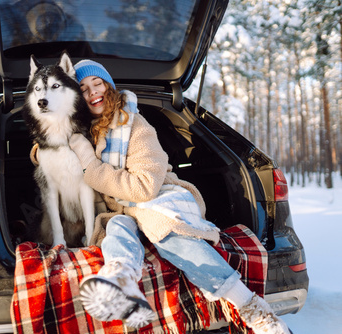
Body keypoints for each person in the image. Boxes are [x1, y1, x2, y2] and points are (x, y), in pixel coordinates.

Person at [67, 59, 290, 333]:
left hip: (156, 200)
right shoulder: (85, 131)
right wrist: (45, 150)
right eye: (83, 88)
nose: (92, 92)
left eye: (97, 84)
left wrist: (91, 166)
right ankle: (122, 279)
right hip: (123, 211)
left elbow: (144, 187)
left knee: (167, 234)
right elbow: (48, 146)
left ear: (109, 87)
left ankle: (254, 309)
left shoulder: (135, 125)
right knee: (116, 228)